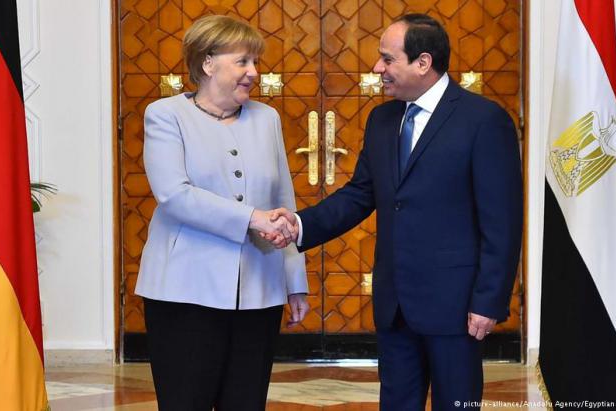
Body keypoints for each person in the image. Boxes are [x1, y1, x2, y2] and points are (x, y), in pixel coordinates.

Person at [265, 13, 522, 410]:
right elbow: (359, 195)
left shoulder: (483, 121)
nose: (377, 68)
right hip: (395, 304)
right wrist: (299, 224)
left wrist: (488, 301)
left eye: (387, 59)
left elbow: (501, 223)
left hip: (457, 307)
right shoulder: (382, 119)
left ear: (422, 62)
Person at [134, 15, 309, 411]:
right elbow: (174, 194)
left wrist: (294, 279)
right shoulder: (165, 115)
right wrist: (251, 218)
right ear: (207, 63)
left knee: (246, 402)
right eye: (243, 61)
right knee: (186, 401)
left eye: (255, 63)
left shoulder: (267, 118)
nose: (254, 72)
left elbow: (284, 198)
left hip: (259, 290)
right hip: (184, 291)